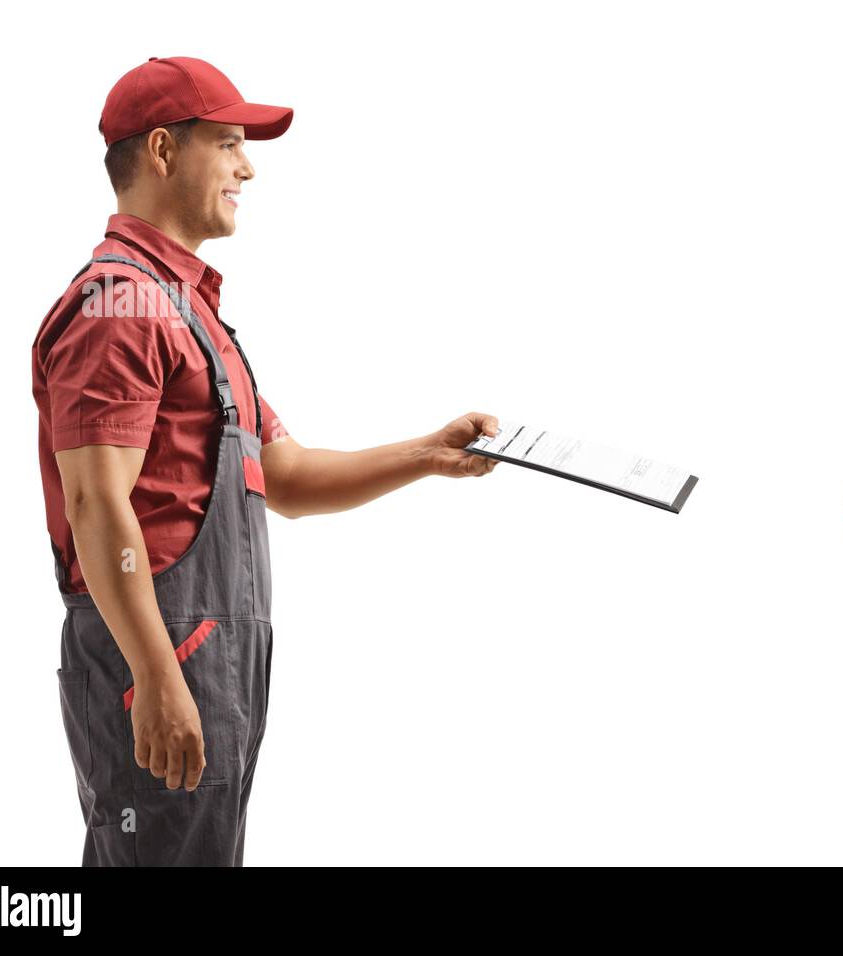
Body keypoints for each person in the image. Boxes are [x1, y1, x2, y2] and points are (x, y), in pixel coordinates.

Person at [32, 56, 499, 866]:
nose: (247, 166)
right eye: (229, 143)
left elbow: (284, 476)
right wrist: (156, 675)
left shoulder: (191, 315)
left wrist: (428, 453)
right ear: (165, 150)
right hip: (163, 653)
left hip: (213, 652)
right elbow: (95, 504)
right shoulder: (120, 303)